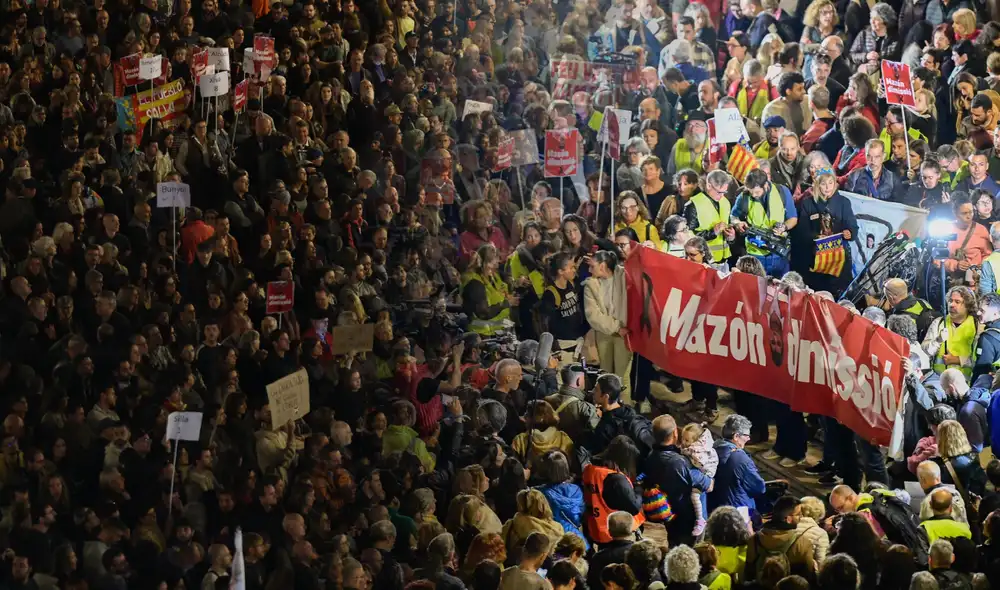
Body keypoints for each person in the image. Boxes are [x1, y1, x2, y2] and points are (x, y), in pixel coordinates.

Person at [732, 168, 797, 276]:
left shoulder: (782, 191)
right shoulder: (743, 197)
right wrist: (737, 223)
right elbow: (733, 216)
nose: (753, 195)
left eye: (757, 192)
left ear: (766, 185)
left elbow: (793, 218)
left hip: (778, 252)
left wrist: (784, 227)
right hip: (755, 254)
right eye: (750, 191)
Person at [745, 496, 817, 581]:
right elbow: (808, 576)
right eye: (798, 514)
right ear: (788, 519)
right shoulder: (803, 543)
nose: (801, 517)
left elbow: (748, 572)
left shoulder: (753, 540)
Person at [709, 415, 767, 519]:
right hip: (739, 510)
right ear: (736, 436)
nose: (749, 438)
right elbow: (759, 487)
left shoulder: (714, 448)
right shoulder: (741, 459)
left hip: (716, 506)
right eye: (746, 435)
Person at [923, 286, 978, 378]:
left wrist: (958, 360)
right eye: (950, 301)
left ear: (968, 306)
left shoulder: (977, 327)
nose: (952, 305)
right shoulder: (939, 323)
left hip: (966, 385)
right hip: (939, 383)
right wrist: (937, 341)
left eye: (957, 302)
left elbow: (982, 361)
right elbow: (925, 352)